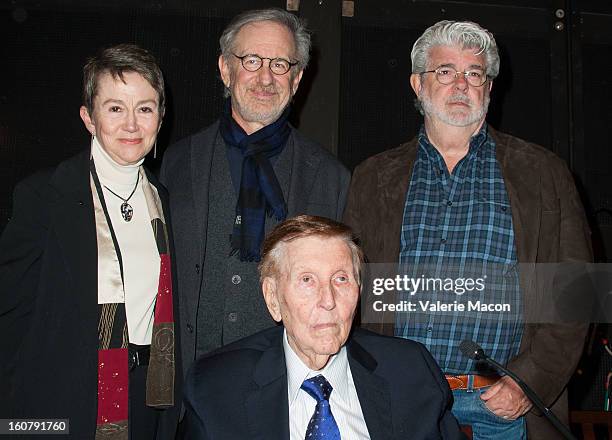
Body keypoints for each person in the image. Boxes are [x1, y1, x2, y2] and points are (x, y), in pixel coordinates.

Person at [343, 20, 592, 439]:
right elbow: (348, 288)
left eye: (474, 74)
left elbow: (577, 289)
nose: (461, 84)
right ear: (417, 85)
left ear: (489, 89)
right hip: (403, 399)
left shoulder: (543, 172)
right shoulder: (373, 177)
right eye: (445, 71)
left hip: (504, 406)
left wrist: (530, 380)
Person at [0, 44, 181, 439]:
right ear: (89, 117)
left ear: (161, 117)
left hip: (148, 400)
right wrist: (15, 426)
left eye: (145, 108)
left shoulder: (164, 200)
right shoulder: (44, 197)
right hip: (60, 403)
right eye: (115, 108)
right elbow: (9, 323)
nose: (131, 124)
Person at [160, 8, 350, 377]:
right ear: (225, 69)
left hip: (281, 386)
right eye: (251, 60)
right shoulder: (177, 162)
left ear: (296, 80)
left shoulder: (332, 177)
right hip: (187, 384)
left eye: (280, 64)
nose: (265, 77)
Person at [182, 215, 463, 439]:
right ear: (272, 298)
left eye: (341, 279)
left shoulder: (411, 372)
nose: (328, 301)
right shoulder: (216, 389)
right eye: (307, 280)